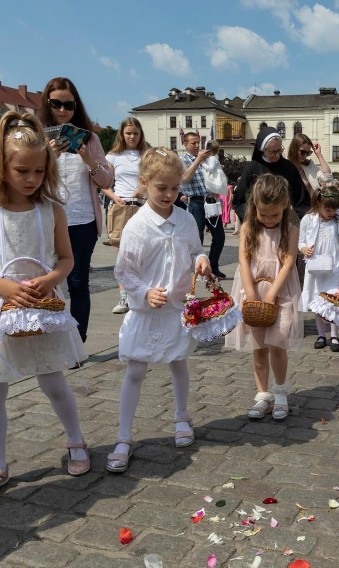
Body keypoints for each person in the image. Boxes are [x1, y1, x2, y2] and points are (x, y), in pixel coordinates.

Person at [0, 112, 90, 503]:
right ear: (1, 165)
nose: (31, 179)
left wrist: (50, 278)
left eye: (39, 171)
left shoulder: (51, 210)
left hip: (40, 308)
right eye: (22, 170)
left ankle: (76, 441)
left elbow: (65, 259)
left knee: (53, 379)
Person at [106, 147, 211, 473]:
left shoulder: (184, 220)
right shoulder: (137, 226)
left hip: (176, 309)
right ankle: (124, 436)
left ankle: (182, 416)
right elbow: (124, 271)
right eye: (161, 188)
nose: (168, 194)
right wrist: (143, 292)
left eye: (174, 188)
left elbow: (195, 249)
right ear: (145, 183)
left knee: (178, 362)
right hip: (147, 311)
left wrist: (201, 260)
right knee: (136, 370)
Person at [37, 77, 114, 344]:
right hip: (47, 220)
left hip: (82, 221)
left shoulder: (89, 138)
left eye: (68, 105)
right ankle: (49, 338)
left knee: (78, 283)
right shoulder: (37, 136)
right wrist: (49, 157)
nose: (62, 110)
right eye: (56, 104)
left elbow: (106, 181)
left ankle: (76, 344)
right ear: (47, 103)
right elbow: (27, 178)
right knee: (47, 283)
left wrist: (87, 158)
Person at [225, 174, 302, 420]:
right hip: (252, 291)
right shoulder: (248, 227)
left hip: (280, 291)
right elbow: (244, 260)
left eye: (274, 215)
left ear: (285, 207)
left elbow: (289, 262)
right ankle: (262, 395)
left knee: (277, 344)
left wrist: (272, 293)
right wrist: (250, 294)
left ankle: (280, 393)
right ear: (254, 207)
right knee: (258, 348)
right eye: (263, 214)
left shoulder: (290, 229)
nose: (268, 220)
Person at [299, 182, 339, 352]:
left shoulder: (338, 222)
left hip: (335, 266)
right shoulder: (308, 219)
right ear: (318, 204)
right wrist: (304, 249)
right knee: (319, 301)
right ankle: (321, 334)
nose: (332, 213)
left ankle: (334, 335)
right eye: (329, 210)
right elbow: (300, 240)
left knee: (334, 301)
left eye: (335, 210)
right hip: (316, 267)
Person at [102, 117, 150, 314]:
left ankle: (142, 292)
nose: (132, 137)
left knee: (144, 253)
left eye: (135, 133)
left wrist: (141, 188)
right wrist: (115, 197)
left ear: (140, 135)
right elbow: (104, 182)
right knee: (123, 255)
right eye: (128, 133)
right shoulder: (113, 156)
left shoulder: (146, 154)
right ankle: (124, 297)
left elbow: (153, 175)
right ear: (122, 134)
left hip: (143, 205)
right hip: (122, 206)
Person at [177, 132, 227, 279]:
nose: (197, 145)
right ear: (185, 144)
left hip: (210, 201)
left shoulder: (208, 158)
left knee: (219, 236)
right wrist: (198, 160)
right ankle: (198, 270)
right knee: (197, 238)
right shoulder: (183, 159)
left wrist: (217, 189)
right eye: (193, 143)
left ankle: (213, 266)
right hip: (196, 202)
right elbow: (185, 178)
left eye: (199, 142)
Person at [233, 127, 310, 222]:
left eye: (279, 150)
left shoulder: (289, 167)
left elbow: (302, 200)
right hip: (258, 223)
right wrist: (253, 218)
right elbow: (239, 200)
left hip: (284, 224)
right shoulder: (252, 168)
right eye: (272, 152)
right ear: (262, 150)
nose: (277, 155)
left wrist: (296, 220)